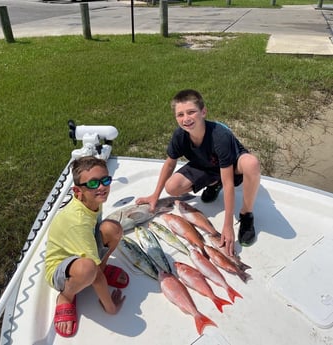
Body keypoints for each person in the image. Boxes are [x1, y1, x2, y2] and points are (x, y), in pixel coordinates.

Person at [136, 89, 260, 256]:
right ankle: (214, 184)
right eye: (180, 115)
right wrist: (155, 195)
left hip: (232, 166)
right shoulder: (180, 135)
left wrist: (228, 225)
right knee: (172, 187)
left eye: (191, 112)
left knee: (251, 163)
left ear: (203, 112)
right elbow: (170, 163)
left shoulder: (220, 135)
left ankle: (246, 215)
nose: (186, 119)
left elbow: (229, 182)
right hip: (206, 165)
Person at [45, 156, 129, 338]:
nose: (101, 187)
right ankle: (66, 296)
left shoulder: (92, 201)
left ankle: (101, 267)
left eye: (105, 180)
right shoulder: (78, 221)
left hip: (81, 247)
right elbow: (96, 276)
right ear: (77, 191)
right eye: (92, 184)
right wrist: (111, 308)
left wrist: (98, 272)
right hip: (59, 268)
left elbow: (97, 230)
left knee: (113, 229)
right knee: (88, 269)